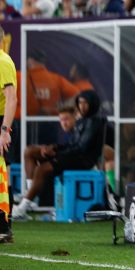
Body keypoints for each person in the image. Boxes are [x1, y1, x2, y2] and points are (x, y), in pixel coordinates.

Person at [13, 91, 106, 219]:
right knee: (30, 151)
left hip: (82, 161)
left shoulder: (95, 122)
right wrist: (54, 148)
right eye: (80, 102)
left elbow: (81, 148)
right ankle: (32, 199)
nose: (82, 106)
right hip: (73, 156)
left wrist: (57, 153)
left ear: (93, 104)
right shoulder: (83, 121)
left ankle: (22, 208)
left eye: (86, 103)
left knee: (42, 168)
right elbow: (72, 144)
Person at [0, 26, 18, 244]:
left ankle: (4, 227)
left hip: (2, 122)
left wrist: (5, 131)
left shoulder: (3, 62)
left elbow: (11, 98)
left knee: (2, 177)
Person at [26, 49, 80, 116]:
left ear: (30, 60)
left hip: (26, 122)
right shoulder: (56, 79)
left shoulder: (22, 78)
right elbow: (78, 95)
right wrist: (62, 108)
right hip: (52, 120)